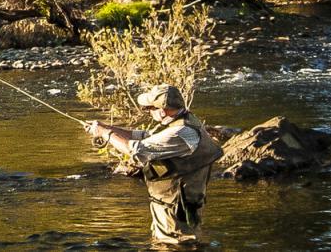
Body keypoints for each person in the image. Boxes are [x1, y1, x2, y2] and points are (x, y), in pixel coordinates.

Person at [83, 85, 225, 246]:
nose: (147, 111)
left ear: (162, 111)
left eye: (149, 108)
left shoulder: (180, 132)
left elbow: (135, 150)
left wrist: (105, 134)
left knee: (174, 245)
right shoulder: (181, 120)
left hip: (176, 211)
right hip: (171, 205)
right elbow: (143, 136)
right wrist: (108, 128)